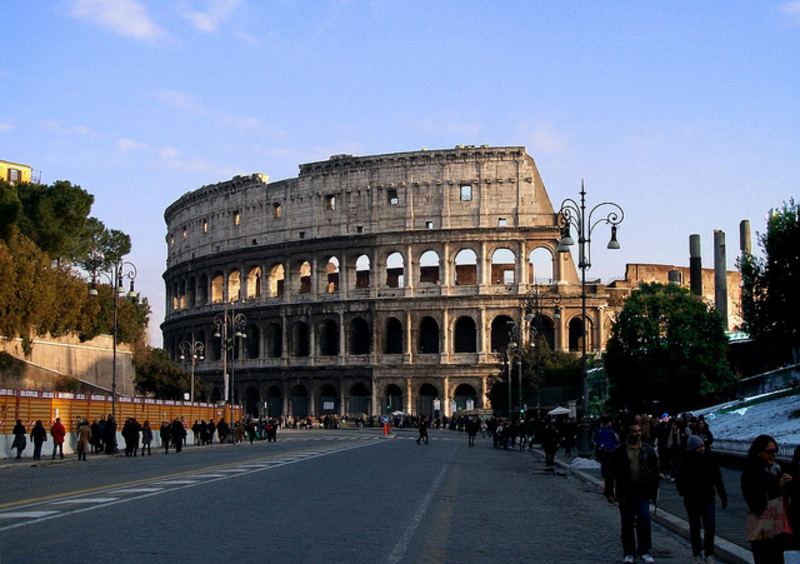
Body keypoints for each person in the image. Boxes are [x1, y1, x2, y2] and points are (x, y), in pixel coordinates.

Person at [605, 420, 660, 564]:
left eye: (639, 431)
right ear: (628, 434)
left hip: (643, 489)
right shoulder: (619, 451)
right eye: (635, 431)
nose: (638, 434)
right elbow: (610, 473)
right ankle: (629, 552)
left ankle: (644, 550)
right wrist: (609, 491)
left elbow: (654, 472)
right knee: (627, 523)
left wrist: (654, 492)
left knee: (644, 520)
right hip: (625, 490)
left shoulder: (648, 450)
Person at [741, 434, 794, 564]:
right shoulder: (751, 474)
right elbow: (756, 503)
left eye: (776, 451)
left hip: (780, 530)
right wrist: (777, 486)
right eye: (770, 451)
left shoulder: (778, 470)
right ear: (759, 452)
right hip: (763, 532)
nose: (774, 455)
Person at [676, 434, 728, 563]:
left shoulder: (709, 459)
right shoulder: (686, 461)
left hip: (707, 496)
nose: (701, 449)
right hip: (692, 498)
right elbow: (680, 479)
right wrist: (683, 493)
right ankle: (697, 553)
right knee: (695, 526)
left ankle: (709, 553)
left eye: (702, 446)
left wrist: (723, 496)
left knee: (709, 526)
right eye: (698, 447)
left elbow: (717, 478)